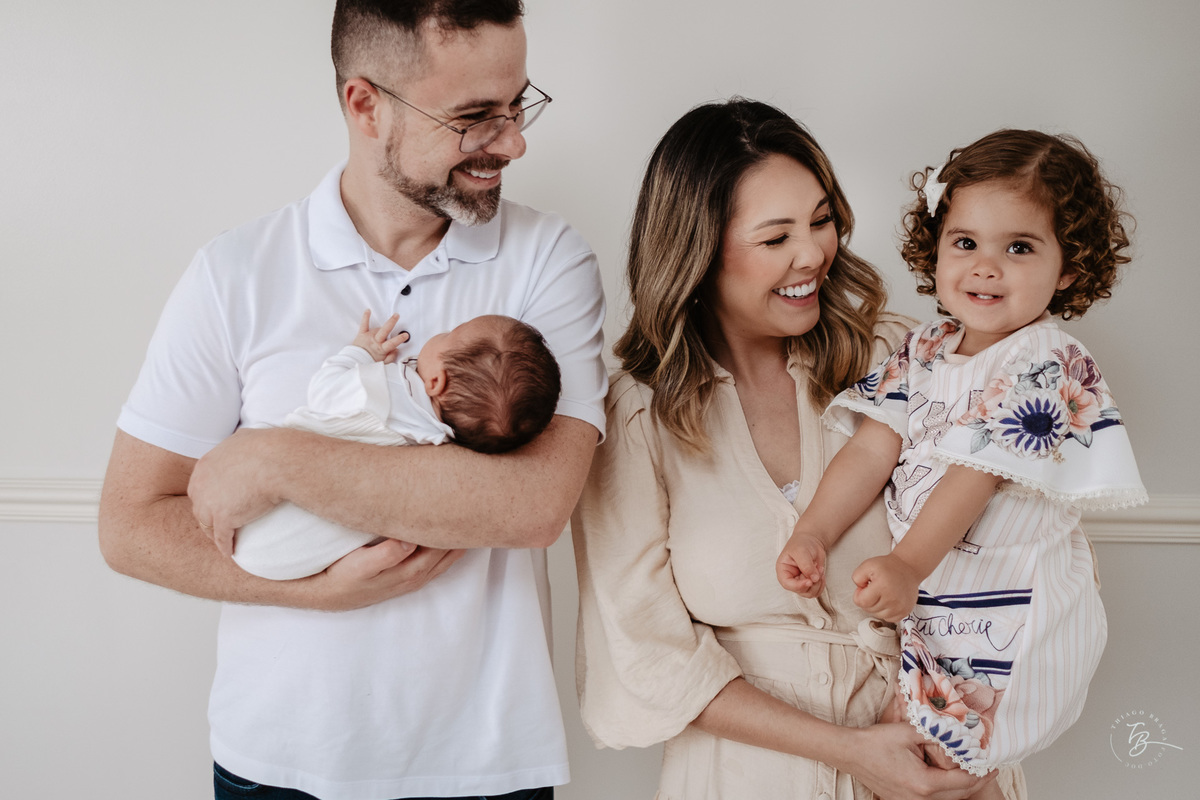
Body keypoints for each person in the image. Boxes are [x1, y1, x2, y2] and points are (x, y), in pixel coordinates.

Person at [97, 0, 606, 797]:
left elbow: (534, 504)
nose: (513, 142)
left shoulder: (549, 260)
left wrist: (273, 459)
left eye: (517, 106)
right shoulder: (235, 274)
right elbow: (130, 525)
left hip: (485, 767)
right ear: (365, 105)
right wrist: (311, 590)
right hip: (279, 765)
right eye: (475, 117)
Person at [572, 98, 1017, 799]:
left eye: (821, 220)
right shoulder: (634, 416)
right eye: (776, 237)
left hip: (938, 755)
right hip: (743, 780)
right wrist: (849, 751)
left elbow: (1016, 547)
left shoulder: (906, 360)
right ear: (696, 251)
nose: (813, 254)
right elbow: (645, 652)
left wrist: (931, 701)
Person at [777, 129, 1145, 794]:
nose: (985, 267)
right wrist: (814, 532)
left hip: (1013, 605)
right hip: (939, 606)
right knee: (908, 746)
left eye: (1019, 247)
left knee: (951, 759)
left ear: (1068, 268)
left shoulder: (1045, 358)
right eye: (966, 242)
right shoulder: (925, 348)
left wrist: (907, 564)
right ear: (937, 246)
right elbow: (872, 447)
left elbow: (976, 473)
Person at [234, 310, 562, 581]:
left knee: (265, 437)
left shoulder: (384, 388)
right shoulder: (443, 451)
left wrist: (361, 354)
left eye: (451, 333)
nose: (443, 331)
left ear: (436, 381)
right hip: (295, 561)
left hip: (252, 521)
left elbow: (324, 390)